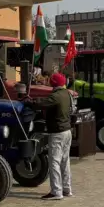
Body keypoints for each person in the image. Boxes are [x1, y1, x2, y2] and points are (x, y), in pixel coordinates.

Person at [24, 72, 73, 200]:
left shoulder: (55, 96)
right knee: (65, 161)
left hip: (57, 132)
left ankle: (56, 192)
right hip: (67, 131)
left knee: (54, 162)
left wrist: (29, 102)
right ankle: (67, 189)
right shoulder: (67, 94)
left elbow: (41, 105)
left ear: (53, 83)